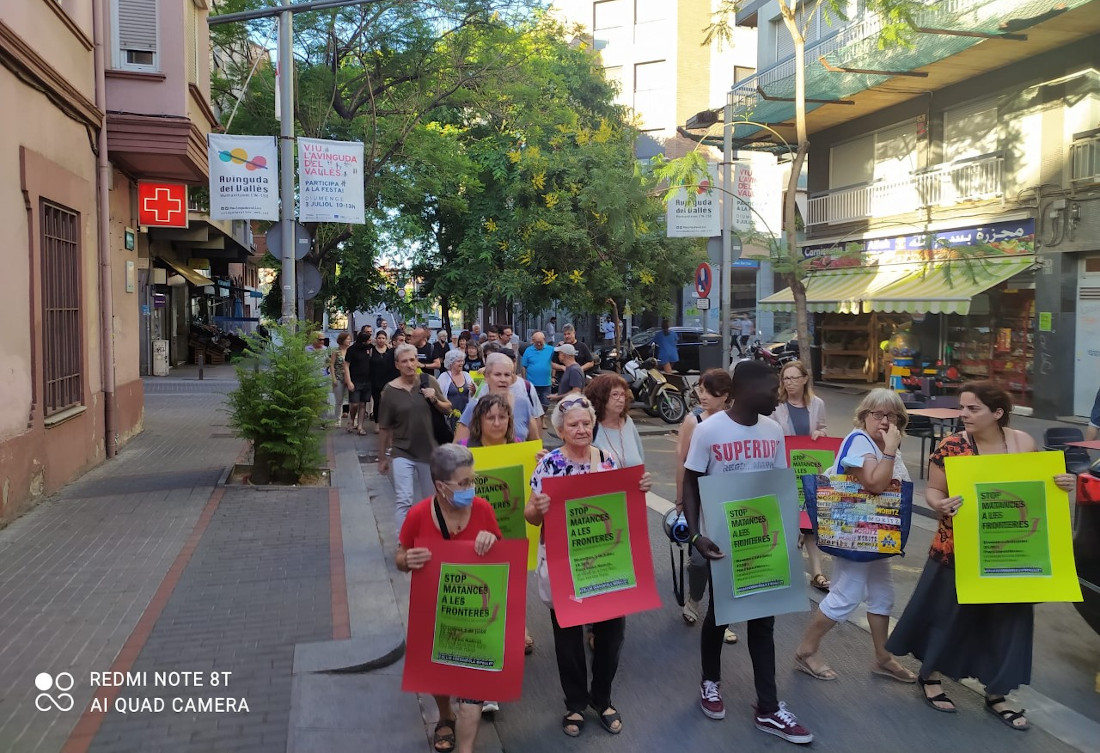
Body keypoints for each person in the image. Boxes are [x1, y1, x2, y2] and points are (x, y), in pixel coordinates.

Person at [886, 381, 1077, 730]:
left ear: (997, 413)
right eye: (962, 407)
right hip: (958, 549)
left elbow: (1039, 486)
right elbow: (933, 489)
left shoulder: (1023, 443)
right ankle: (930, 677)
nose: (964, 414)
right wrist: (939, 503)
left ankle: (998, 692)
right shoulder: (953, 445)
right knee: (949, 616)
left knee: (1008, 622)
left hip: (1012, 553)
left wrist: (1061, 483)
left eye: (972, 409)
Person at [682, 360, 813, 744]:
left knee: (763, 622)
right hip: (722, 539)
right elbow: (691, 482)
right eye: (773, 389)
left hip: (762, 539)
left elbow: (778, 485)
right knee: (719, 618)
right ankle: (710, 683)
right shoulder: (709, 430)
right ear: (747, 389)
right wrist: (695, 536)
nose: (779, 396)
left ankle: (769, 708)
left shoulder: (774, 430)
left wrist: (789, 535)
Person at [525, 396, 652, 737]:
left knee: (611, 636)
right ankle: (576, 704)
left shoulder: (608, 459)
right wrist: (538, 507)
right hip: (565, 565)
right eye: (573, 425)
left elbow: (623, 507)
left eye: (586, 423)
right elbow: (531, 516)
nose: (581, 430)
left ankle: (603, 698)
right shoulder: (549, 465)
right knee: (567, 640)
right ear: (560, 430)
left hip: (608, 564)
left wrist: (639, 488)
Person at [792, 388, 916, 684]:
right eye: (877, 414)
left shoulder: (883, 444)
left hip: (872, 532)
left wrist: (889, 448)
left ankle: (883, 657)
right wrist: (889, 450)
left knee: (882, 594)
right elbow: (873, 484)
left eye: (892, 415)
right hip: (854, 531)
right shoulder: (862, 441)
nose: (884, 420)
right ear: (864, 416)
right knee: (846, 595)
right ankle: (805, 651)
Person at [396, 443, 502, 753]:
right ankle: (445, 716)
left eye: (473, 480)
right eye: (465, 483)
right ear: (441, 486)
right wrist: (407, 559)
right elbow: (399, 555)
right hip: (437, 610)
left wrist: (491, 539)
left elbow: (501, 551)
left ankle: (465, 749)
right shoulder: (418, 515)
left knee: (472, 686)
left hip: (476, 616)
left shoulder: (483, 509)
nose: (472, 488)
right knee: (439, 671)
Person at [465, 393, 539, 659]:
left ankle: (518, 627)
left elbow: (533, 484)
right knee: (485, 581)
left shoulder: (519, 447)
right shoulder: (466, 450)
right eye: (490, 417)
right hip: (475, 529)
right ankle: (489, 627)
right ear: (479, 421)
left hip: (512, 525)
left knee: (515, 579)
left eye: (503, 417)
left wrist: (539, 463)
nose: (497, 423)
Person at [675, 369, 738, 644]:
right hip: (698, 499)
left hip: (725, 500)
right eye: (700, 389)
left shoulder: (735, 422)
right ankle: (694, 598)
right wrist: (680, 499)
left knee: (725, 558)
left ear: (725, 396)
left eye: (708, 391)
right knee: (700, 559)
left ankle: (722, 618)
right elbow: (683, 463)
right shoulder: (693, 421)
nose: (702, 396)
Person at [378, 344, 452, 535]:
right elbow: (385, 427)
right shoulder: (390, 390)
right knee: (404, 499)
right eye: (405, 361)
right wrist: (382, 458)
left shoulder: (429, 381)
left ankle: (430, 537)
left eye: (412, 360)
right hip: (402, 451)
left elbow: (448, 408)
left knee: (431, 499)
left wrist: (434, 398)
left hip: (430, 452)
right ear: (397, 365)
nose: (410, 365)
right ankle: (403, 541)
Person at [772, 361, 831, 593]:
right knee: (785, 519)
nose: (790, 383)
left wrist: (821, 433)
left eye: (795, 378)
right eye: (786, 379)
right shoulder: (776, 405)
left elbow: (824, 428)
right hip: (783, 468)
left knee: (809, 521)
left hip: (809, 468)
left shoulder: (817, 404)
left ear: (805, 379)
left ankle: (817, 573)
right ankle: (780, 570)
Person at [454, 353, 541, 445]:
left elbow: (534, 442)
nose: (503, 379)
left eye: (507, 375)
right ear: (487, 377)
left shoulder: (523, 403)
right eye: (497, 374)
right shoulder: (475, 406)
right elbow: (457, 447)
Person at [344, 332, 374, 435]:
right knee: (355, 404)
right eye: (369, 340)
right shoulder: (352, 350)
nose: (370, 342)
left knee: (363, 404)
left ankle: (360, 426)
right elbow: (346, 365)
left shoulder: (369, 348)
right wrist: (348, 381)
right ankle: (351, 419)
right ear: (363, 341)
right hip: (355, 380)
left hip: (367, 380)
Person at [437, 350, 475, 426]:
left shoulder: (467, 375)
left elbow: (473, 396)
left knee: (464, 437)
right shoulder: (443, 377)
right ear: (451, 363)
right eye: (458, 361)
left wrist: (474, 391)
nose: (461, 363)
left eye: (462, 361)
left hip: (466, 416)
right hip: (449, 417)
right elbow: (438, 396)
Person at [368, 331, 397, 428]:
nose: (381, 340)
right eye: (379, 338)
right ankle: (377, 422)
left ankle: (388, 422)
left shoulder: (390, 350)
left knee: (387, 402)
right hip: (375, 380)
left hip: (387, 380)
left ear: (386, 339)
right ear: (376, 339)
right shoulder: (371, 350)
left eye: (383, 338)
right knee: (377, 402)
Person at [521, 331, 554, 408]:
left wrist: (553, 376)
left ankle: (541, 419)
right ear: (533, 341)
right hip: (532, 383)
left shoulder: (551, 349)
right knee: (532, 405)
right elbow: (524, 366)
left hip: (546, 383)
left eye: (540, 342)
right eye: (536, 342)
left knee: (545, 404)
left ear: (544, 340)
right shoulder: (528, 350)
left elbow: (554, 363)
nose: (539, 344)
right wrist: (524, 380)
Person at [329, 332, 353, 428]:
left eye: (349, 339)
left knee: (352, 400)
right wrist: (333, 378)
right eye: (347, 339)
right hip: (339, 377)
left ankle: (352, 420)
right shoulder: (336, 351)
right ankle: (337, 420)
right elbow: (331, 365)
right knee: (339, 401)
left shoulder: (351, 351)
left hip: (349, 378)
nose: (349, 341)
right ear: (342, 340)